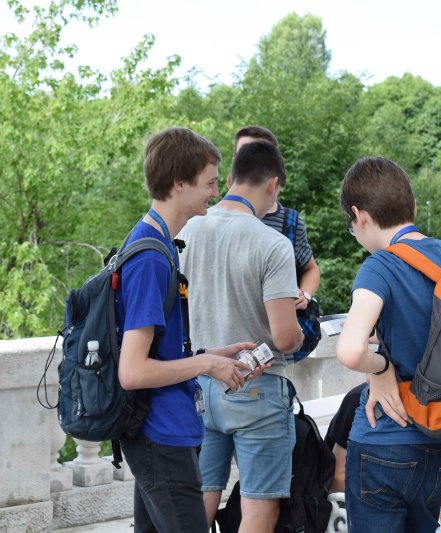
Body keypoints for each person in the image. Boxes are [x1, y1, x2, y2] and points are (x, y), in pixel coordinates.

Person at [116, 127, 261, 532]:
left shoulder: (158, 244)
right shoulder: (150, 258)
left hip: (161, 431)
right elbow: (133, 371)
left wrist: (209, 356)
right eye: (209, 183)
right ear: (179, 183)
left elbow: (155, 353)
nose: (216, 192)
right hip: (161, 434)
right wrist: (206, 366)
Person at [179, 139, 304, 533]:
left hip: (200, 382)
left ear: (230, 178)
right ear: (272, 184)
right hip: (256, 389)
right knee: (258, 507)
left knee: (199, 497)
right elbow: (284, 338)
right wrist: (300, 332)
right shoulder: (273, 243)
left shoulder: (187, 229)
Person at [335, 156, 441, 533]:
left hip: (383, 442)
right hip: (439, 445)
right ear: (413, 207)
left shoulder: (380, 266)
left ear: (359, 216)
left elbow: (351, 350)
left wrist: (382, 368)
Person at [325, 384, 441, 533]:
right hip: (372, 495)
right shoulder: (361, 399)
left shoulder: (432, 398)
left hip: (422, 489)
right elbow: (337, 476)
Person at [233, 126, 320, 311]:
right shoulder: (213, 220)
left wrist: (305, 295)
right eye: (246, 154)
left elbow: (310, 268)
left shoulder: (290, 222)